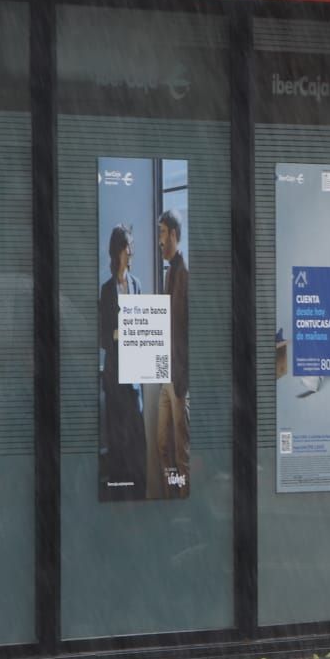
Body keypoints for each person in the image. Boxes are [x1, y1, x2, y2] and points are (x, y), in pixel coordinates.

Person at [98, 224, 147, 500]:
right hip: (115, 374)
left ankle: (138, 489)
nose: (131, 251)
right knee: (117, 437)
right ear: (117, 251)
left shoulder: (137, 285)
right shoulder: (106, 291)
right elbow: (104, 337)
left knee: (137, 436)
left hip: (135, 375)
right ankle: (119, 492)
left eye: (131, 246)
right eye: (127, 246)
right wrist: (122, 331)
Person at [156, 210, 190, 498]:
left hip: (179, 378)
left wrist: (183, 378)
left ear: (174, 235)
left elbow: (190, 330)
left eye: (162, 233)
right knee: (162, 445)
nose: (159, 241)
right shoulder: (169, 272)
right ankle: (172, 497)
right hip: (165, 373)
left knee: (182, 453)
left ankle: (183, 504)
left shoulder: (185, 274)